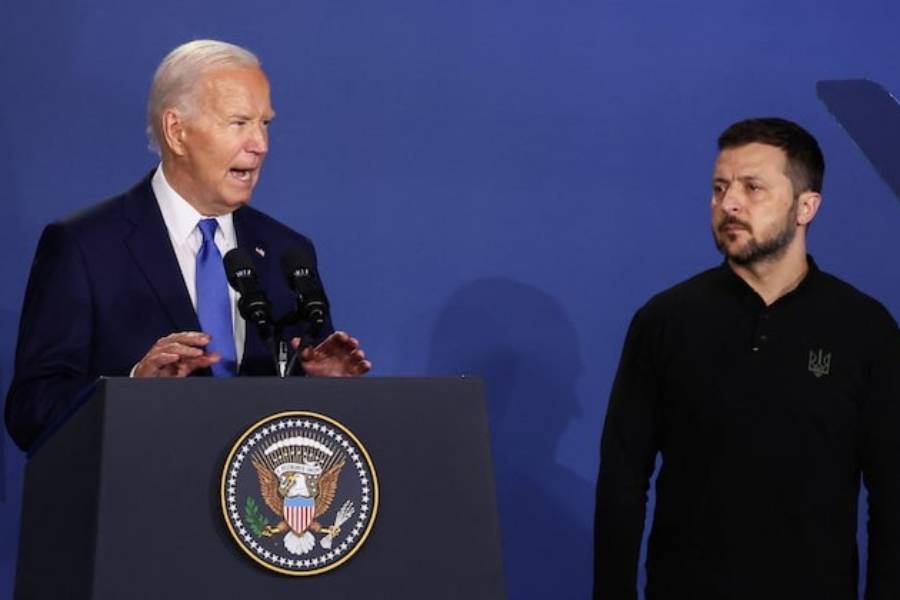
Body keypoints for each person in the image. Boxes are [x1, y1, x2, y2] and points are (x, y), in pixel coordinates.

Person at [5, 40, 371, 452]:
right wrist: (132, 388)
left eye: (265, 123)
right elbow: (31, 411)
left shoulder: (286, 252)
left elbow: (303, 421)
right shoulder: (85, 247)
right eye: (239, 122)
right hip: (140, 486)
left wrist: (328, 391)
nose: (260, 144)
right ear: (177, 132)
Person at [593, 118, 900, 599]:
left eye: (752, 188)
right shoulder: (664, 320)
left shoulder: (865, 328)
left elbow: (892, 492)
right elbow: (622, 478)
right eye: (720, 188)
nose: (729, 204)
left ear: (806, 207)